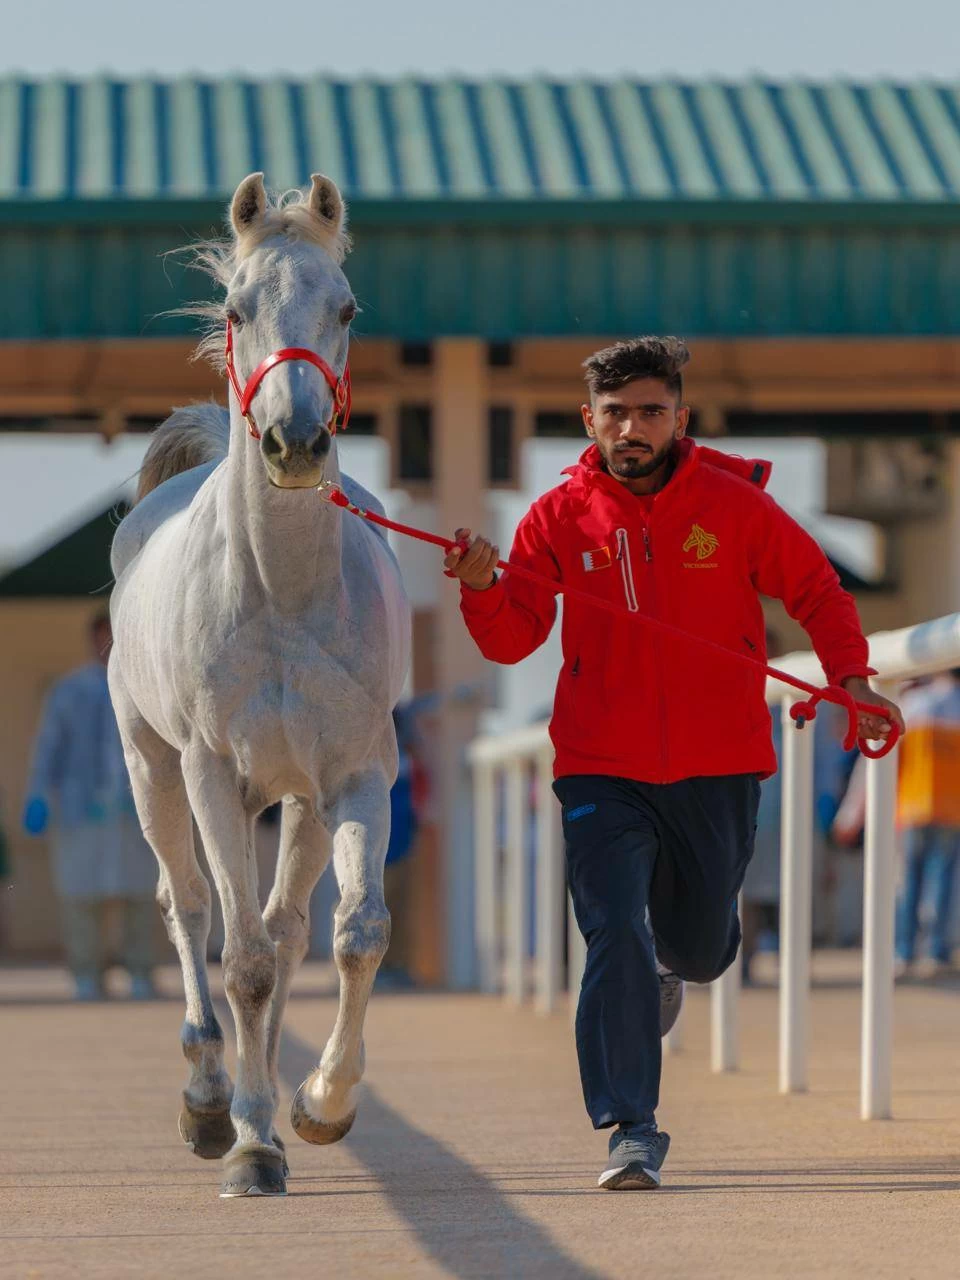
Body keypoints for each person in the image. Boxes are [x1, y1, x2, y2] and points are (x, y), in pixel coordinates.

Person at [443, 337, 902, 1191]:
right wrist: (479, 585)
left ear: (679, 419)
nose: (632, 428)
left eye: (650, 412)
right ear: (589, 421)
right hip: (600, 767)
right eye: (614, 413)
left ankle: (672, 970)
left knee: (697, 948)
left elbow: (816, 591)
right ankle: (631, 1127)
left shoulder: (733, 505)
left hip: (717, 765)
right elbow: (513, 641)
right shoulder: (553, 518)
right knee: (612, 928)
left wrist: (851, 679)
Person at [23, 609, 159, 1000]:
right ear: (92, 639)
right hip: (80, 810)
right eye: (103, 636)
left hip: (136, 810)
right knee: (81, 896)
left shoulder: (146, 687)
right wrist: (37, 795)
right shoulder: (69, 691)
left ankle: (139, 972)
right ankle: (85, 973)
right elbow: (47, 748)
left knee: (138, 894)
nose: (108, 645)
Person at [834, 670, 960, 977]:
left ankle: (903, 950)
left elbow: (873, 761)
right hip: (951, 809)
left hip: (911, 806)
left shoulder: (913, 704)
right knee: (941, 882)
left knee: (906, 883)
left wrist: (851, 814)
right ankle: (935, 950)